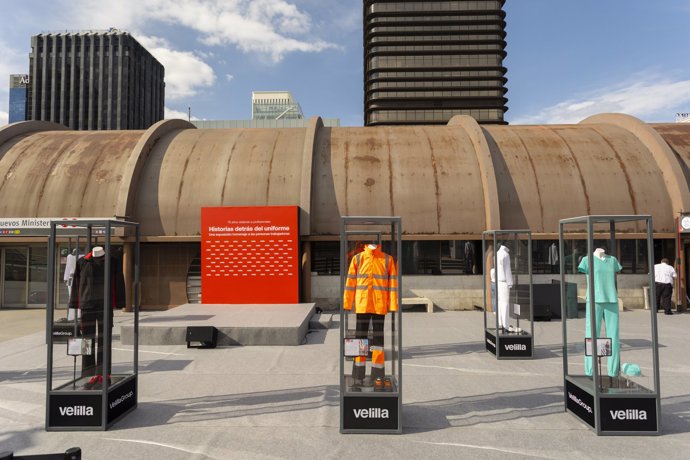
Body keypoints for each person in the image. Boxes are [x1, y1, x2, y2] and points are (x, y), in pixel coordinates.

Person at [578, 248, 622, 377]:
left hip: (611, 299)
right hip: (594, 300)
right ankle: (590, 370)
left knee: (614, 335)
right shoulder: (586, 260)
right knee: (592, 334)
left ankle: (613, 371)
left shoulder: (612, 260)